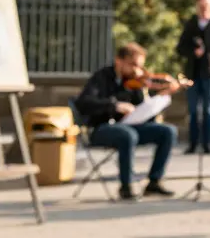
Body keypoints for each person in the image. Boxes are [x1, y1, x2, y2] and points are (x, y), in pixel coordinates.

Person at [74, 43, 180, 201]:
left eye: (140, 66)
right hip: (101, 128)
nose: (137, 70)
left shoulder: (136, 82)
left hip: (131, 127)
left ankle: (154, 182)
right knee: (127, 135)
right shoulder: (102, 77)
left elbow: (144, 114)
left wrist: (153, 96)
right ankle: (126, 186)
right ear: (119, 61)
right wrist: (114, 105)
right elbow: (84, 102)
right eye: (133, 65)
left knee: (168, 132)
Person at [176, 0, 210, 154]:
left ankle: (207, 144)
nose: (203, 8)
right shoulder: (191, 24)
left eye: (206, 6)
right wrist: (194, 52)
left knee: (208, 110)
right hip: (193, 73)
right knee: (193, 111)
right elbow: (180, 48)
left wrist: (208, 51)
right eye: (201, 6)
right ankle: (192, 144)